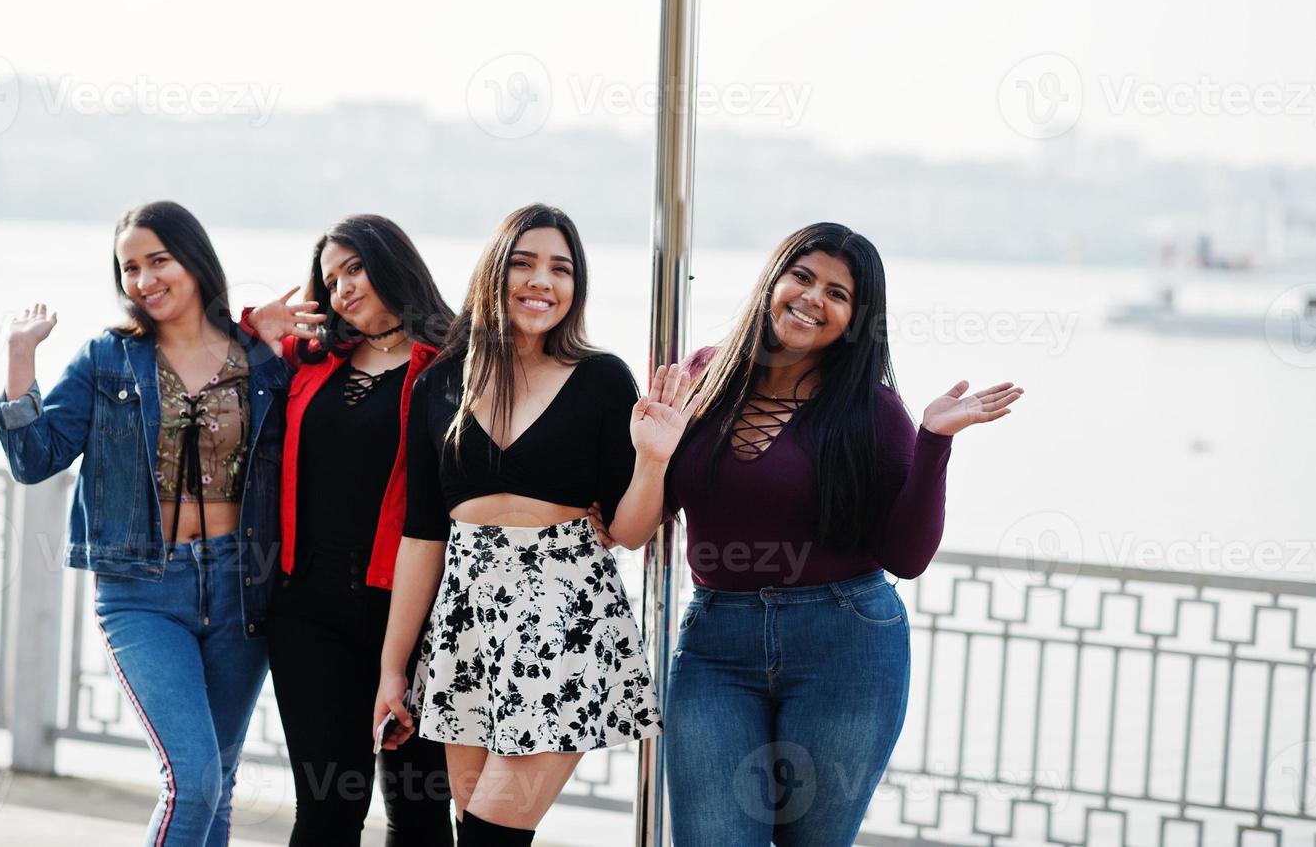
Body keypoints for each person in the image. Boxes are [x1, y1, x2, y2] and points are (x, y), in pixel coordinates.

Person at [603, 222, 1024, 847]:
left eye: (838, 293)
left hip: (846, 648)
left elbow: (906, 558)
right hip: (717, 645)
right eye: (802, 276)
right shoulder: (703, 377)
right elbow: (632, 531)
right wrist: (652, 457)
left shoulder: (873, 411)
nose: (811, 298)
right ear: (774, 280)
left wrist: (934, 442)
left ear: (856, 319)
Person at [371, 204, 698, 846]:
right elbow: (422, 535)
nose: (541, 281)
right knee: (474, 831)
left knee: (493, 834)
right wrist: (392, 668)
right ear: (494, 273)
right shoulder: (440, 383)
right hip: (466, 623)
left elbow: (630, 530)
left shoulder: (601, 379)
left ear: (576, 288)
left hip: (563, 620)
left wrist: (654, 460)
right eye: (523, 263)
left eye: (561, 268)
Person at [0, 201, 291, 846]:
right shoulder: (108, 359)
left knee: (220, 782)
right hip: (142, 590)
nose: (145, 279)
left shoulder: (262, 361)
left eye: (159, 261)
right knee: (192, 781)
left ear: (195, 262)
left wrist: (252, 327)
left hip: (243, 585)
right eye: (130, 268)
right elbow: (34, 459)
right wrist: (20, 360)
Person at [242, 215, 456, 845]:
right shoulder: (308, 360)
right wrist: (255, 327)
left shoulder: (453, 363)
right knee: (328, 811)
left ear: (394, 263)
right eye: (331, 280)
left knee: (418, 814)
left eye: (354, 268)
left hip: (420, 611)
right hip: (308, 611)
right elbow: (212, 359)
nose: (342, 289)